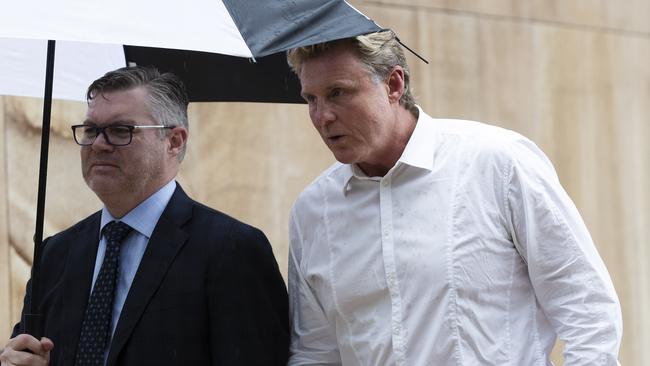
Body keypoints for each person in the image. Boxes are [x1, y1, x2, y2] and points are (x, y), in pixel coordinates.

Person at [285, 30, 622, 365]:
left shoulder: (498, 164)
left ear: (394, 85)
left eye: (338, 93)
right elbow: (315, 353)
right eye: (311, 99)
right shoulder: (313, 212)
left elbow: (587, 308)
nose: (322, 117)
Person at [0, 66, 289, 366]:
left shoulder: (232, 251)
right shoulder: (54, 255)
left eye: (121, 131)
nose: (98, 144)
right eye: (90, 130)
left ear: (174, 141)